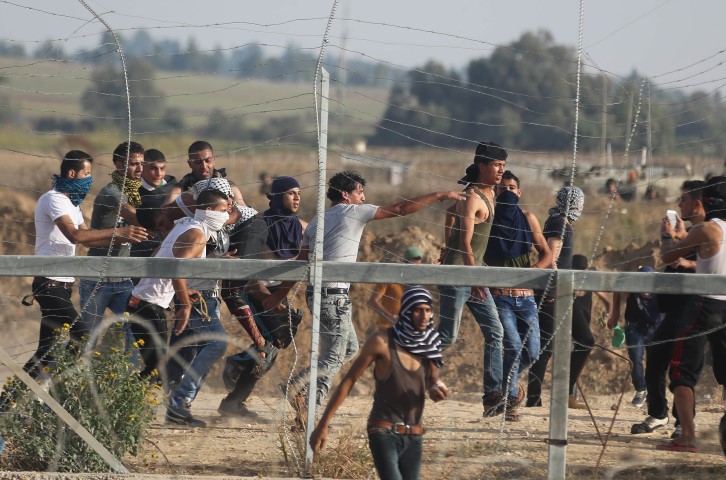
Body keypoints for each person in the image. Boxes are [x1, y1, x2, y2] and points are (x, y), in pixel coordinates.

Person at [263, 171, 463, 425]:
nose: (364, 198)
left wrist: (280, 293)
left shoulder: (317, 220)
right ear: (345, 195)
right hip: (333, 297)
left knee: (350, 348)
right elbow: (400, 208)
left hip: (321, 294)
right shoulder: (352, 212)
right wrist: (439, 194)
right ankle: (309, 407)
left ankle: (297, 384)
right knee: (334, 355)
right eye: (360, 192)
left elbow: (302, 262)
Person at [24, 150, 147, 377]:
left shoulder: (73, 205)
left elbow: (89, 234)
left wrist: (122, 236)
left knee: (46, 352)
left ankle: (10, 401)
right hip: (50, 285)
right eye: (86, 173)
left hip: (63, 286)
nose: (89, 179)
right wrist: (119, 230)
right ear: (72, 173)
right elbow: (76, 237)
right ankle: (58, 390)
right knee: (82, 337)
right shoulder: (54, 199)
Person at [309, 286, 448, 480]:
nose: (424, 315)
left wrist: (436, 389)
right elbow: (349, 381)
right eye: (418, 310)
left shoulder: (430, 343)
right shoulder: (382, 341)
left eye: (428, 309)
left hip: (414, 434)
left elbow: (433, 380)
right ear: (406, 311)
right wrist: (323, 425)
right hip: (383, 430)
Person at [218, 176, 307, 418]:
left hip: (277, 293)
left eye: (299, 192)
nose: (297, 197)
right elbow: (248, 267)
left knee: (274, 347)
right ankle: (235, 379)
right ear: (278, 197)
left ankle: (234, 397)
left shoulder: (301, 227)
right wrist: (269, 297)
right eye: (291, 193)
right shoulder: (261, 225)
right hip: (256, 292)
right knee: (267, 348)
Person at [437, 141, 508, 418]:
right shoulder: (472, 197)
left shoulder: (491, 195)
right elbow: (466, 243)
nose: (501, 170)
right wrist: (470, 272)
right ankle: (406, 361)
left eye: (503, 165)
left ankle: (492, 397)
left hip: (473, 274)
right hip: (459, 275)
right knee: (448, 336)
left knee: (496, 332)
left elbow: (447, 214)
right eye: (496, 165)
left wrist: (446, 246)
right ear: (482, 166)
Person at [656, 176, 726, 453]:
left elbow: (668, 258)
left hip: (705, 306)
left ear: (704, 202)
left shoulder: (708, 229)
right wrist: (686, 235)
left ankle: (687, 436)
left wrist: (668, 237)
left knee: (682, 372)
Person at [631, 180, 705, 436]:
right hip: (674, 309)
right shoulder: (694, 233)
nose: (679, 205)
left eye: (683, 200)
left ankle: (682, 423)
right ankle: (658, 414)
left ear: (698, 202)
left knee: (681, 369)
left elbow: (680, 262)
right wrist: (672, 238)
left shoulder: (708, 232)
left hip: (693, 307)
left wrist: (673, 242)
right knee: (656, 361)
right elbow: (672, 260)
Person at [484, 170, 552, 420]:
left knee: (533, 352)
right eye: (503, 189)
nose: (508, 192)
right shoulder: (488, 219)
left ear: (519, 192)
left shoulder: (528, 218)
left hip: (526, 297)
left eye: (512, 188)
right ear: (495, 193)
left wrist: (530, 273)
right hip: (500, 296)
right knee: (512, 344)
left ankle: (506, 386)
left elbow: (547, 255)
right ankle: (511, 401)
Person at [165, 188, 232, 427]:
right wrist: (184, 303)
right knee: (217, 344)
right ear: (210, 210)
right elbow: (179, 268)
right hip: (197, 299)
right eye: (223, 211)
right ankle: (179, 400)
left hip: (202, 297)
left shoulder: (194, 227)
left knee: (202, 350)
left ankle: (180, 407)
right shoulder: (197, 233)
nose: (226, 216)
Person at [79, 141, 145, 349]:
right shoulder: (113, 193)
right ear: (118, 164)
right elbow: (132, 216)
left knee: (134, 334)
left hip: (123, 277)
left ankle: (129, 380)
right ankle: (70, 378)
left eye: (142, 163)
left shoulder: (136, 193)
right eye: (134, 164)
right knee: (86, 339)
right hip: (97, 277)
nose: (140, 169)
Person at [526, 185, 586, 408]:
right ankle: (534, 399)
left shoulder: (561, 222)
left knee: (584, 340)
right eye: (579, 204)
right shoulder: (560, 222)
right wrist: (554, 278)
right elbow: (552, 255)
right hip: (552, 292)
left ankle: (565, 394)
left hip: (561, 291)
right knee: (546, 347)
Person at [608, 266, 663, 408]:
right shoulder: (632, 290)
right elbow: (617, 287)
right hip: (634, 327)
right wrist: (615, 314)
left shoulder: (660, 289)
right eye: (641, 282)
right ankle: (640, 390)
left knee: (655, 361)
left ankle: (653, 393)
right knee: (636, 358)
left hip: (654, 328)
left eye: (648, 282)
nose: (645, 287)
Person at [163, 140, 245, 210]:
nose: (204, 166)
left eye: (208, 161)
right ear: (190, 163)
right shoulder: (180, 189)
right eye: (198, 162)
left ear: (213, 160)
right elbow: (166, 212)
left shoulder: (228, 186)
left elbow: (243, 210)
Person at [367, 246, 425, 328]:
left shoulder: (417, 285)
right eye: (413, 266)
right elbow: (372, 302)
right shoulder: (390, 278)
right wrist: (390, 317)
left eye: (418, 267)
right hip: (387, 329)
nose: (415, 270)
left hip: (407, 331)